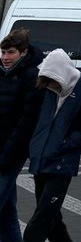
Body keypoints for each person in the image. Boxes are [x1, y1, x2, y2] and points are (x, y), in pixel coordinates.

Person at [24, 48, 81, 242]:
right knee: (52, 218)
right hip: (41, 158)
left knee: (41, 219)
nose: (50, 86)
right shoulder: (47, 86)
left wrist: (64, 143)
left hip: (62, 163)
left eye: (52, 81)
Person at [0, 30, 43, 242]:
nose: (5, 57)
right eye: (3, 52)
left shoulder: (32, 77)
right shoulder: (2, 72)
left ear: (23, 52)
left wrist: (7, 155)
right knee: (6, 209)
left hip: (11, 153)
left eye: (11, 52)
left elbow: (26, 123)